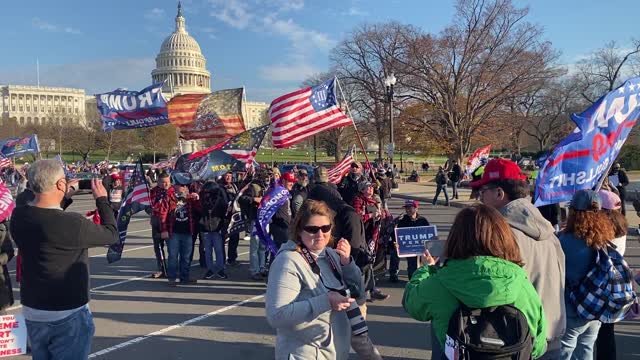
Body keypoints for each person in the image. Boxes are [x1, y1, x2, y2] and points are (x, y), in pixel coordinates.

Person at [403, 204, 547, 359]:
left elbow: (411, 303)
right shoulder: (521, 283)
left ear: (456, 239)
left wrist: (428, 269)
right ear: (503, 238)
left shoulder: (440, 282)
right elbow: (537, 345)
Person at [10, 160, 118, 359]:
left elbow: (47, 218)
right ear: (60, 184)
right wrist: (102, 200)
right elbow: (111, 234)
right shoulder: (73, 223)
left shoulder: (19, 215)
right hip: (67, 312)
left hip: (33, 309)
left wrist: (64, 197)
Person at [472, 158, 566, 357]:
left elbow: (490, 290)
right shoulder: (549, 233)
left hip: (517, 339)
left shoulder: (500, 235)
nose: (480, 198)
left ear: (499, 193)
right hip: (552, 334)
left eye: (483, 192)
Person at [265, 200, 366, 360]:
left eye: (325, 228)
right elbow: (276, 316)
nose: (320, 235)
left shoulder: (332, 255)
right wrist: (326, 301)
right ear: (299, 230)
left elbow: (359, 295)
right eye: (312, 229)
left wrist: (348, 264)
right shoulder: (288, 261)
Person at [558, 190, 616, 359]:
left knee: (564, 352)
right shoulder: (603, 239)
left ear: (573, 212)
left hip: (572, 307)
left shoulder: (564, 241)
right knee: (586, 349)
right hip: (595, 306)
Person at [595, 190, 628, 360]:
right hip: (615, 287)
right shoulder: (620, 226)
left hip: (601, 287)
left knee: (599, 335)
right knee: (607, 333)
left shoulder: (603, 231)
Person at [166, 173, 200, 286]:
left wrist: (196, 199)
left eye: (185, 185)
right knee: (173, 256)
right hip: (174, 231)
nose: (184, 187)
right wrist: (163, 230)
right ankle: (172, 278)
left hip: (187, 231)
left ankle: (184, 277)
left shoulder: (190, 198)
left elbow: (199, 210)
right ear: (175, 186)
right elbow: (163, 213)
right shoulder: (169, 196)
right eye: (181, 185)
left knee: (186, 257)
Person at [388, 200, 430, 282]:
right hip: (403, 246)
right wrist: (395, 242)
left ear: (416, 209)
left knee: (412, 271)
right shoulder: (402, 220)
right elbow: (395, 233)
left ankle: (412, 276)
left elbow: (428, 235)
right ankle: (393, 273)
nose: (407, 210)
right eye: (406, 208)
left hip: (414, 248)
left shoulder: (423, 221)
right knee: (394, 252)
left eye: (410, 208)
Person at [239, 170, 269, 280]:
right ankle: (254, 270)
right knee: (255, 247)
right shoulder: (253, 187)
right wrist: (254, 199)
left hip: (265, 220)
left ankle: (262, 267)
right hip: (256, 219)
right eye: (266, 176)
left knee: (263, 246)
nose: (268, 179)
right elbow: (242, 199)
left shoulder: (268, 188)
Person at [199, 180, 229, 280]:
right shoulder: (202, 198)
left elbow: (224, 209)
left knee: (219, 249)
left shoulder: (220, 199)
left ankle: (220, 269)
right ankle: (210, 269)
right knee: (207, 251)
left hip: (217, 227)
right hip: (206, 227)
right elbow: (200, 210)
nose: (206, 193)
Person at [148, 173, 173, 278]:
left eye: (168, 181)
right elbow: (147, 205)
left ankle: (173, 269)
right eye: (163, 182)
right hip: (156, 221)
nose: (166, 184)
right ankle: (162, 269)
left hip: (170, 222)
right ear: (158, 182)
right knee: (158, 247)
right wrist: (151, 211)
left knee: (172, 248)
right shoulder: (153, 192)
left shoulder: (173, 192)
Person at [219, 171, 240, 266]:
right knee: (222, 239)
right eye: (226, 175)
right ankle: (222, 260)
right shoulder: (219, 187)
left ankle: (232, 258)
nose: (228, 177)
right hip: (224, 217)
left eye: (230, 176)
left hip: (234, 216)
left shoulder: (234, 186)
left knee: (234, 238)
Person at [270, 172, 295, 250]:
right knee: (280, 251)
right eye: (289, 181)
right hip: (279, 226)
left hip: (285, 226)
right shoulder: (278, 192)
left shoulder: (285, 192)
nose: (292, 183)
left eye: (293, 181)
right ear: (283, 181)